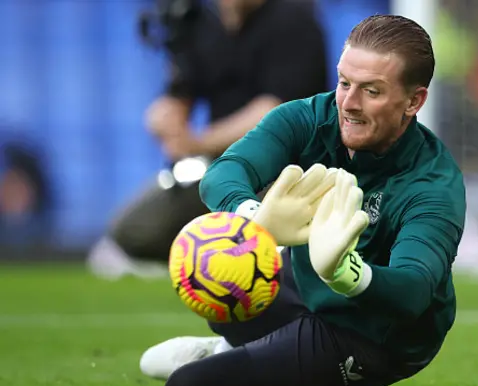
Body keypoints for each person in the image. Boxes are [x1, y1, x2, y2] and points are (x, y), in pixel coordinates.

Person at [140, 14, 467, 386]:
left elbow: (413, 292)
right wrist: (254, 217)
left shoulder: (432, 184)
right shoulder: (310, 118)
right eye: (344, 82)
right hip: (307, 284)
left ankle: (223, 356)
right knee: (224, 283)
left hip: (370, 333)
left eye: (372, 91)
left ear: (413, 101)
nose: (349, 103)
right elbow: (222, 174)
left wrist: (349, 275)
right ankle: (234, 347)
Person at [87, 0, 328, 278]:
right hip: (221, 166)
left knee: (266, 228)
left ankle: (250, 259)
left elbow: (274, 112)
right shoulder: (201, 22)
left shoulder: (294, 19)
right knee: (133, 230)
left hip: (285, 168)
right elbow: (179, 94)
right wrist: (166, 119)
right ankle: (205, 258)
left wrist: (198, 142)